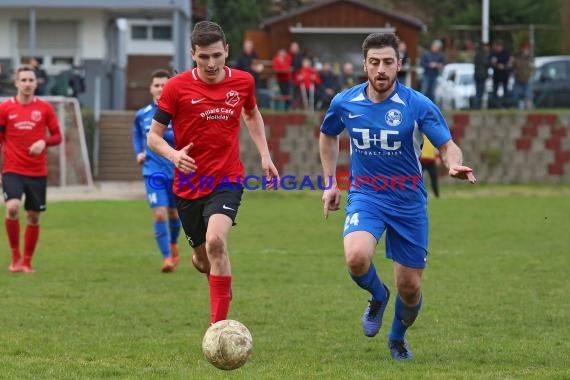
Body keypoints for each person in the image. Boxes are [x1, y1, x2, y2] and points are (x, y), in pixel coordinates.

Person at [319, 33, 476, 361]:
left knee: (411, 288)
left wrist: (454, 163)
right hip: (366, 195)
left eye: (388, 62)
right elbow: (328, 134)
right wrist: (330, 182)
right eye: (374, 62)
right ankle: (378, 296)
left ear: (399, 65)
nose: (381, 69)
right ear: (364, 65)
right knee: (355, 257)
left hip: (408, 203)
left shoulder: (417, 104)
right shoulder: (345, 102)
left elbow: (447, 145)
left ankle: (397, 337)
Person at [147, 21, 279, 326]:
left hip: (227, 178)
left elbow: (251, 112)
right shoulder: (176, 87)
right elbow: (154, 137)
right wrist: (173, 154)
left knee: (217, 242)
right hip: (189, 185)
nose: (211, 63)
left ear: (227, 51)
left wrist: (264, 154)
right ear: (193, 54)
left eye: (217, 55)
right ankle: (219, 279)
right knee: (202, 259)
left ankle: (217, 330)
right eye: (204, 56)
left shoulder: (243, 81)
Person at [0, 64, 62, 273]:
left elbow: (57, 136)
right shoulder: (5, 108)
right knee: (12, 208)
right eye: (23, 80)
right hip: (12, 169)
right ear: (16, 83)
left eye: (31, 80)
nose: (27, 84)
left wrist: (43, 142)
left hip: (37, 172)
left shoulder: (45, 108)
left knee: (33, 217)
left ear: (36, 84)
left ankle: (27, 261)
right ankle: (15, 257)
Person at [132, 69, 181, 273]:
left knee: (174, 214)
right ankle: (167, 259)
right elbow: (137, 134)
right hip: (153, 172)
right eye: (157, 85)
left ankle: (173, 244)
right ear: (151, 88)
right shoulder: (142, 115)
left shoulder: (179, 113)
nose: (161, 88)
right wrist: (139, 152)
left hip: (178, 172)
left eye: (164, 85)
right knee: (160, 214)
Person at [489, 39, 513, 108]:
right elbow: (491, 63)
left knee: (506, 92)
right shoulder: (493, 54)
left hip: (505, 76)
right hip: (496, 76)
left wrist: (504, 66)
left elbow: (510, 63)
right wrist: (497, 65)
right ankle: (495, 106)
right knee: (495, 92)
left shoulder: (506, 53)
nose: (498, 48)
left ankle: (506, 106)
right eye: (497, 46)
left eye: (499, 46)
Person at [511, 42, 532, 109]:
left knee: (528, 96)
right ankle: (516, 108)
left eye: (527, 49)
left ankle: (529, 109)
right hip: (518, 79)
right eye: (526, 49)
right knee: (515, 96)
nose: (527, 51)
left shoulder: (529, 59)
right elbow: (512, 66)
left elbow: (531, 69)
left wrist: (529, 74)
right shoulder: (517, 58)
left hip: (526, 80)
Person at [473, 41, 490, 109]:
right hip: (481, 76)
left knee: (478, 92)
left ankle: (477, 106)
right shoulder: (483, 55)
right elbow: (486, 63)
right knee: (480, 92)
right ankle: (477, 107)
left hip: (477, 76)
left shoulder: (477, 54)